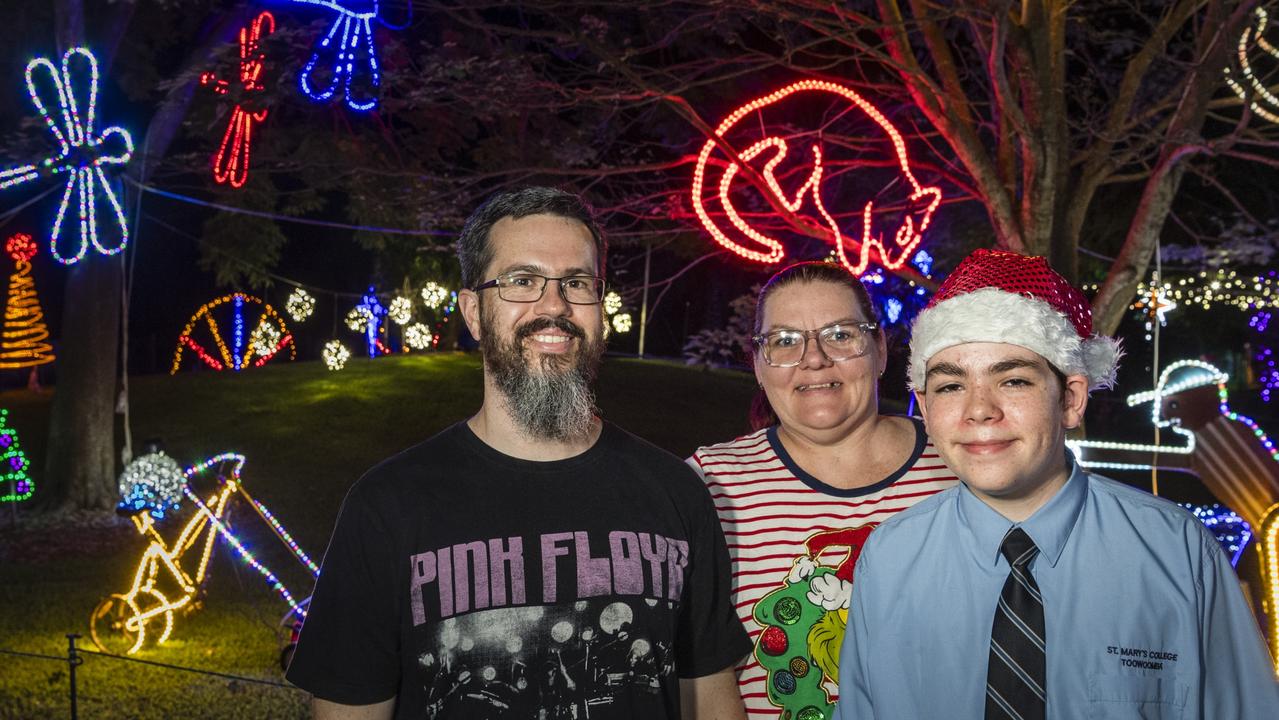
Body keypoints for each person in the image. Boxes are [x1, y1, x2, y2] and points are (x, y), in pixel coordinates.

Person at [286, 187, 751, 720]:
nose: (554, 306)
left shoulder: (676, 493)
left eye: (576, 283)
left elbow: (710, 699)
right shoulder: (386, 505)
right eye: (521, 281)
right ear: (474, 312)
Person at [836, 248, 1279, 719]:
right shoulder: (888, 559)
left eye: (1014, 381)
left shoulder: (1178, 552)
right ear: (925, 409)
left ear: (1070, 399)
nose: (979, 409)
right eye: (950, 386)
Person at [687, 261, 959, 719]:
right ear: (758, 363)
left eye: (840, 334)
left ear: (880, 349)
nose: (814, 359)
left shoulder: (960, 464)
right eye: (785, 341)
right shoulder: (710, 482)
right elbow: (695, 672)